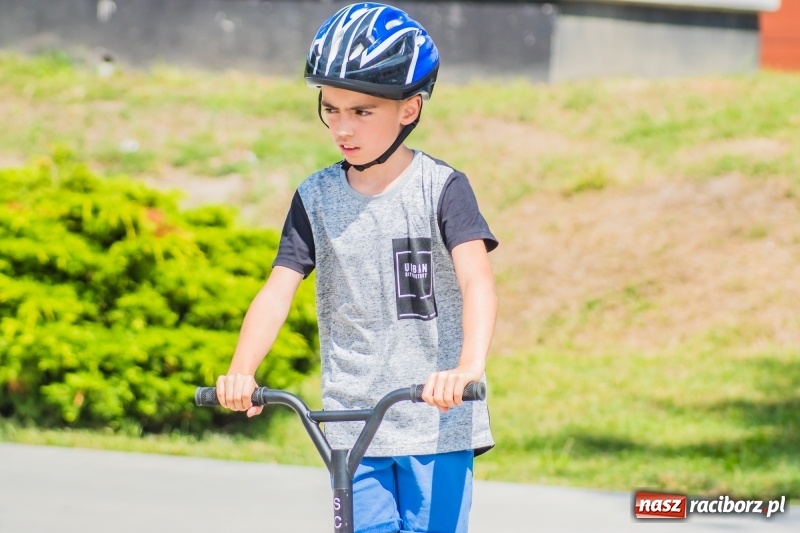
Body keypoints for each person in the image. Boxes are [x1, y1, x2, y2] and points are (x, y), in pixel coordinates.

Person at [216, 3, 498, 532]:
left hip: (434, 421)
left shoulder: (441, 189)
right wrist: (242, 370)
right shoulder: (316, 197)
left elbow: (476, 279)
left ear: (409, 110)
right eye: (331, 109)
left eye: (362, 111)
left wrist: (467, 368)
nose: (342, 127)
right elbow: (278, 288)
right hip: (351, 425)